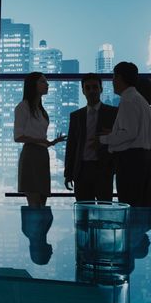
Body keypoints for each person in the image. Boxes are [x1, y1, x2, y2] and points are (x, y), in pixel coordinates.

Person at [99, 62, 151, 207]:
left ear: (119, 78)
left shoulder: (128, 100)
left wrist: (103, 139)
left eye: (114, 77)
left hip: (130, 161)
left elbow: (129, 133)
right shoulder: (141, 101)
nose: (112, 81)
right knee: (141, 206)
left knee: (130, 203)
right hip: (143, 159)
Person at [14, 72, 66, 208]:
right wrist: (41, 141)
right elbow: (18, 136)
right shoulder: (23, 107)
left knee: (42, 200)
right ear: (33, 85)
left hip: (42, 154)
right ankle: (33, 228)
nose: (47, 84)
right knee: (34, 201)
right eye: (42, 82)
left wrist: (51, 142)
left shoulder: (40, 109)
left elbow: (40, 137)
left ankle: (38, 228)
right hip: (31, 155)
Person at [64, 73, 118, 202]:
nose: (91, 91)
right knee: (83, 213)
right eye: (87, 88)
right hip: (81, 170)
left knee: (104, 211)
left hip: (103, 169)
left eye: (95, 87)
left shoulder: (113, 113)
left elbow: (119, 139)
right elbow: (71, 145)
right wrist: (68, 174)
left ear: (101, 89)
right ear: (83, 91)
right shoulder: (76, 116)